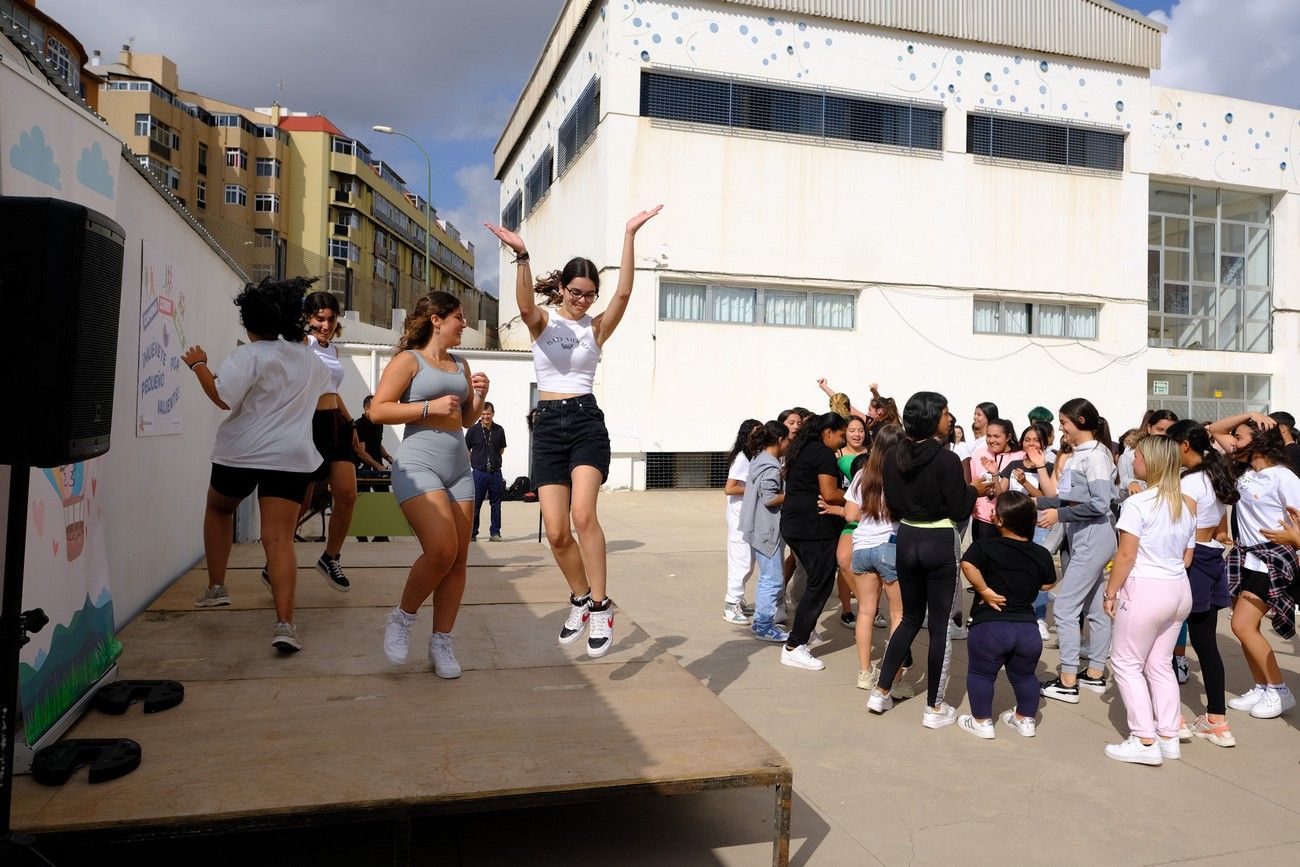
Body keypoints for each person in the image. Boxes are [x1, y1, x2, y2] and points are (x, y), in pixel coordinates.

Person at [485, 204, 662, 658]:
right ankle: (580, 597)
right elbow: (525, 304)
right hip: (546, 426)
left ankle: (602, 607)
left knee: (585, 517)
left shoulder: (595, 328)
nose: (583, 300)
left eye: (589, 294)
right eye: (577, 292)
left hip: (585, 422)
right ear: (562, 288)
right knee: (558, 533)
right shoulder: (544, 323)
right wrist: (522, 256)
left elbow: (622, 294)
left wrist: (629, 234)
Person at [186, 276, 333, 653]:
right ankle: (285, 624)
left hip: (241, 453)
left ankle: (217, 587)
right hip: (291, 458)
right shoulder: (313, 363)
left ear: (250, 322)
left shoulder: (248, 355)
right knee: (280, 539)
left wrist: (199, 365)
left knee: (219, 509)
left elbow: (222, 397)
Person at [371, 291, 491, 678]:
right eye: (458, 316)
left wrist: (480, 396)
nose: (464, 324)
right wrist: (428, 407)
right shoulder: (409, 360)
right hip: (418, 465)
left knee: (458, 560)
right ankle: (402, 617)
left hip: (459, 470)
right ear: (437, 320)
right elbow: (378, 410)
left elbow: (468, 420)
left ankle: (442, 642)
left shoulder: (460, 362)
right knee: (440, 549)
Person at [869, 392, 992, 727]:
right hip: (938, 539)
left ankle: (880, 691)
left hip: (907, 536)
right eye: (946, 412)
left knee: (909, 619)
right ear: (933, 417)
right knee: (939, 627)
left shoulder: (893, 455)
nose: (950, 418)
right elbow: (958, 507)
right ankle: (934, 707)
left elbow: (892, 502)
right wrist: (976, 490)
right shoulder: (946, 460)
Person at [1102, 435, 1197, 766]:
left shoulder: (1138, 504)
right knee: (1159, 664)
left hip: (1146, 589)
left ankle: (1144, 740)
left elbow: (1126, 555)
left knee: (1126, 663)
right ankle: (1168, 735)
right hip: (1178, 589)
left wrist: (1111, 591)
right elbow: (1187, 555)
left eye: (1138, 456)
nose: (1133, 460)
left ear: (1152, 462)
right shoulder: (1184, 504)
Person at [956, 491, 1057, 739]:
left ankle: (981, 721)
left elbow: (967, 564)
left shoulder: (984, 546)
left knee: (981, 673)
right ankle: (1025, 719)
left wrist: (984, 590)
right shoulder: (1041, 553)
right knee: (1024, 676)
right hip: (1027, 628)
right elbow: (1047, 585)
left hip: (991, 624)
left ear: (999, 520)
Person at [1036, 398, 1117, 704]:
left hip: (1093, 536)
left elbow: (1099, 503)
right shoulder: (1082, 454)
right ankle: (1095, 672)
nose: (1061, 429)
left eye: (1064, 423)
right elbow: (1070, 498)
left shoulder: (1094, 456)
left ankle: (1068, 679)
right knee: (1095, 608)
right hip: (1086, 535)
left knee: (1067, 607)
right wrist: (1041, 504)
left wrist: (1060, 515)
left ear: (1081, 421)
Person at [1166, 419, 1238, 747]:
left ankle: (1173, 720)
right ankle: (1217, 721)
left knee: (1163, 642)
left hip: (1192, 563)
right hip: (1212, 561)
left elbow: (1185, 532)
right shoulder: (1216, 475)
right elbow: (1220, 528)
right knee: (1206, 644)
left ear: (1183, 446)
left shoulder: (1189, 483)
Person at [1223, 426, 1300, 720]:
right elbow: (1216, 431)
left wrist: (1295, 544)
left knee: (1242, 625)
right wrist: (1248, 416)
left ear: (1259, 442)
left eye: (1239, 437)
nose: (1232, 441)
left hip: (1273, 558)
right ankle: (1263, 687)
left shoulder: (1283, 476)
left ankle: (1280, 690)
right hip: (1246, 556)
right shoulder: (1245, 474)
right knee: (1245, 629)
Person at [297, 290, 359, 592]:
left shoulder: (333, 350)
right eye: (319, 319)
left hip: (336, 423)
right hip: (309, 425)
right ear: (309, 319)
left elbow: (332, 390)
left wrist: (351, 424)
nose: (326, 325)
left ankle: (330, 557)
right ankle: (276, 557)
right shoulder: (302, 344)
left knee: (347, 495)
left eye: (331, 319)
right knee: (301, 500)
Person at [778, 413, 849, 670]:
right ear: (827, 432)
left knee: (815, 580)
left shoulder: (803, 449)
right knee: (819, 583)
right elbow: (829, 493)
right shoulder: (823, 454)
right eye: (841, 435)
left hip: (796, 523)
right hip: (813, 527)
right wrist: (856, 494)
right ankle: (795, 645)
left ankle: (804, 632)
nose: (842, 441)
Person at [842, 424, 905, 691]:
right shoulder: (901, 475)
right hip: (890, 545)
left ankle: (864, 671)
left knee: (866, 611)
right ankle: (895, 678)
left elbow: (849, 515)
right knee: (899, 615)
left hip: (862, 547)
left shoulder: (862, 475)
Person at [739, 420, 791, 642]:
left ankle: (762, 623)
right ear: (780, 440)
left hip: (757, 527)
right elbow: (769, 498)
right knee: (773, 579)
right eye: (787, 439)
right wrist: (793, 496)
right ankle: (763, 626)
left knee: (767, 578)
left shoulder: (759, 459)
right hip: (766, 529)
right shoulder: (770, 466)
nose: (789, 443)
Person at [723, 419, 762, 624]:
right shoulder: (741, 458)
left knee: (748, 560)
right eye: (755, 434)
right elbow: (730, 488)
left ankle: (737, 600)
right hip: (739, 517)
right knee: (742, 560)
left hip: (748, 516)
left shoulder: (753, 456)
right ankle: (730, 605)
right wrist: (754, 490)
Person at [833, 415, 870, 627]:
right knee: (844, 563)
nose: (857, 434)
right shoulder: (836, 454)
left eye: (861, 430)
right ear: (844, 433)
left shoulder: (872, 455)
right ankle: (847, 610)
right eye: (852, 430)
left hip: (867, 515)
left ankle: (869, 608)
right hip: (844, 512)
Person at [970, 419, 1023, 542]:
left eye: (996, 436)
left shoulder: (1020, 456)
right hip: (982, 518)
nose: (991, 440)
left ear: (1008, 436)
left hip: (1010, 519)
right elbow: (973, 482)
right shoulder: (978, 454)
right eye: (988, 436)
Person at [465, 401, 508, 542]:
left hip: (495, 473)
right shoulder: (473, 430)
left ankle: (495, 533)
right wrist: (474, 462)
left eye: (488, 414)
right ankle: (472, 533)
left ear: (493, 414)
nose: (485, 416)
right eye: (483, 414)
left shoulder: (499, 430)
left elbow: (501, 450)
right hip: (479, 473)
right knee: (475, 505)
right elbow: (467, 449)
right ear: (480, 415)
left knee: (496, 504)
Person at [1118, 409, 1178, 498]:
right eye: (1160, 429)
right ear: (1149, 428)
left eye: (1169, 431)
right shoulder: (1129, 457)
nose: (1164, 435)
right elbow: (1120, 489)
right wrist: (1130, 482)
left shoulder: (1176, 456)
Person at [354, 395, 394, 477]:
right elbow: (360, 452)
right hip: (363, 468)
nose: (378, 411)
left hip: (378, 467)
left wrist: (388, 457)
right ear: (366, 409)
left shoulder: (379, 424)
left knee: (383, 489)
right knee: (363, 490)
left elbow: (377, 444)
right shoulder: (359, 425)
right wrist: (378, 466)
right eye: (375, 408)